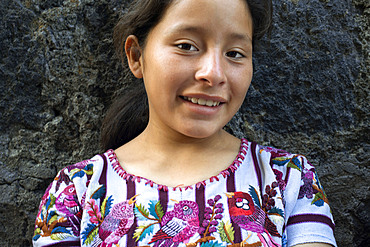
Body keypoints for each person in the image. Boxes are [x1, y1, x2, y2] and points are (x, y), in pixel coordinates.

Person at [32, 0, 337, 246]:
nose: (214, 73)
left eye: (234, 53)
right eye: (187, 46)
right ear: (137, 56)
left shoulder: (290, 182)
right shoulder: (75, 193)